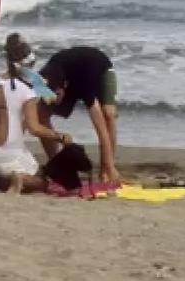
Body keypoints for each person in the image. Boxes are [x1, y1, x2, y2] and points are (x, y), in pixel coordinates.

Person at [0, 35, 73, 193]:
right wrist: (60, 136)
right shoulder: (26, 91)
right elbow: (35, 128)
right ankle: (19, 179)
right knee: (41, 181)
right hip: (9, 158)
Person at [38, 45, 124, 187]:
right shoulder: (43, 80)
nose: (54, 100)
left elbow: (101, 130)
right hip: (65, 71)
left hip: (100, 66)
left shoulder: (84, 86)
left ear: (64, 88)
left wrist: (108, 166)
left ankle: (107, 169)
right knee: (41, 114)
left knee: (108, 114)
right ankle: (56, 162)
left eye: (56, 95)